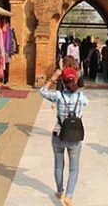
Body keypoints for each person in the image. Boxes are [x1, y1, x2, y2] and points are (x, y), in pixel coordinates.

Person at [40, 67, 88, 206]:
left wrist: (53, 78)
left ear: (63, 81)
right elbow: (85, 101)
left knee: (58, 165)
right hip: (75, 137)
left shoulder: (58, 96)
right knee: (74, 168)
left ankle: (59, 190)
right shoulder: (81, 97)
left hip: (59, 135)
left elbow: (42, 92)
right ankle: (69, 196)